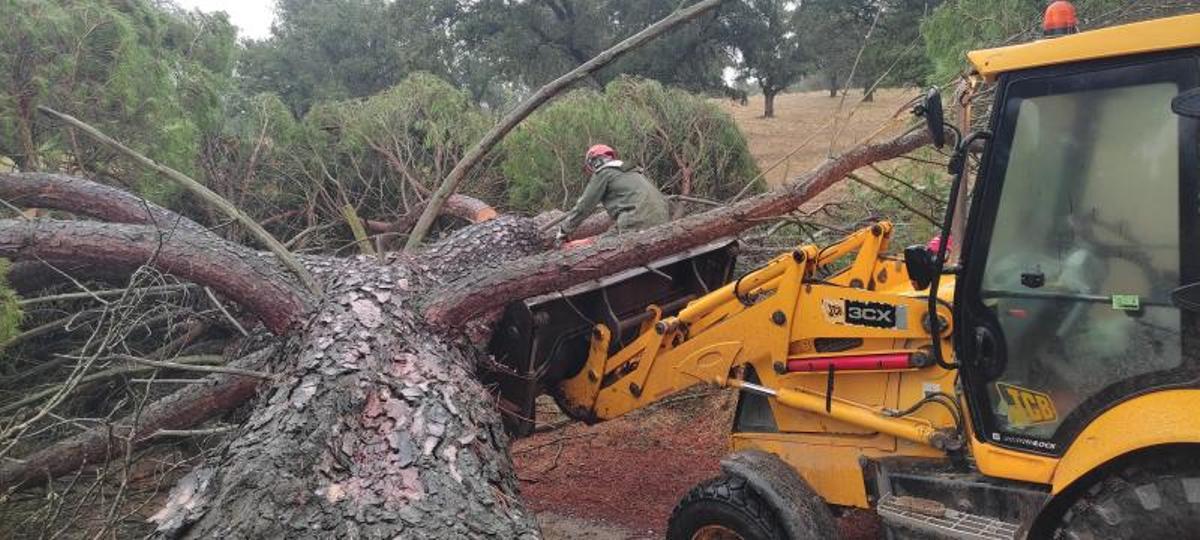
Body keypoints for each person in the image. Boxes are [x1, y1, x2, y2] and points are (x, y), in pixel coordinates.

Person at [556, 144, 670, 244]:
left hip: (636, 222)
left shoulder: (604, 173)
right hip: (663, 220)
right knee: (606, 237)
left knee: (599, 247)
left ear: (593, 162)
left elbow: (584, 205)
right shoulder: (633, 171)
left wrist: (564, 230)